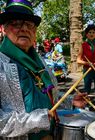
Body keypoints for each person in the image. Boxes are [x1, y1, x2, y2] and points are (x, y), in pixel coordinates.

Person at [0, 0, 87, 140]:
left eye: (30, 25)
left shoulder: (40, 62)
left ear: (34, 31)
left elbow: (49, 98)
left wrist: (70, 101)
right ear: (4, 28)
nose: (24, 29)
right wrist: (39, 119)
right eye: (16, 23)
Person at [77, 24, 95, 107]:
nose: (92, 34)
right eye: (89, 32)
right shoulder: (83, 45)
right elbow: (78, 60)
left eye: (93, 32)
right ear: (86, 34)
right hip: (87, 70)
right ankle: (86, 105)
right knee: (87, 89)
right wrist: (87, 63)